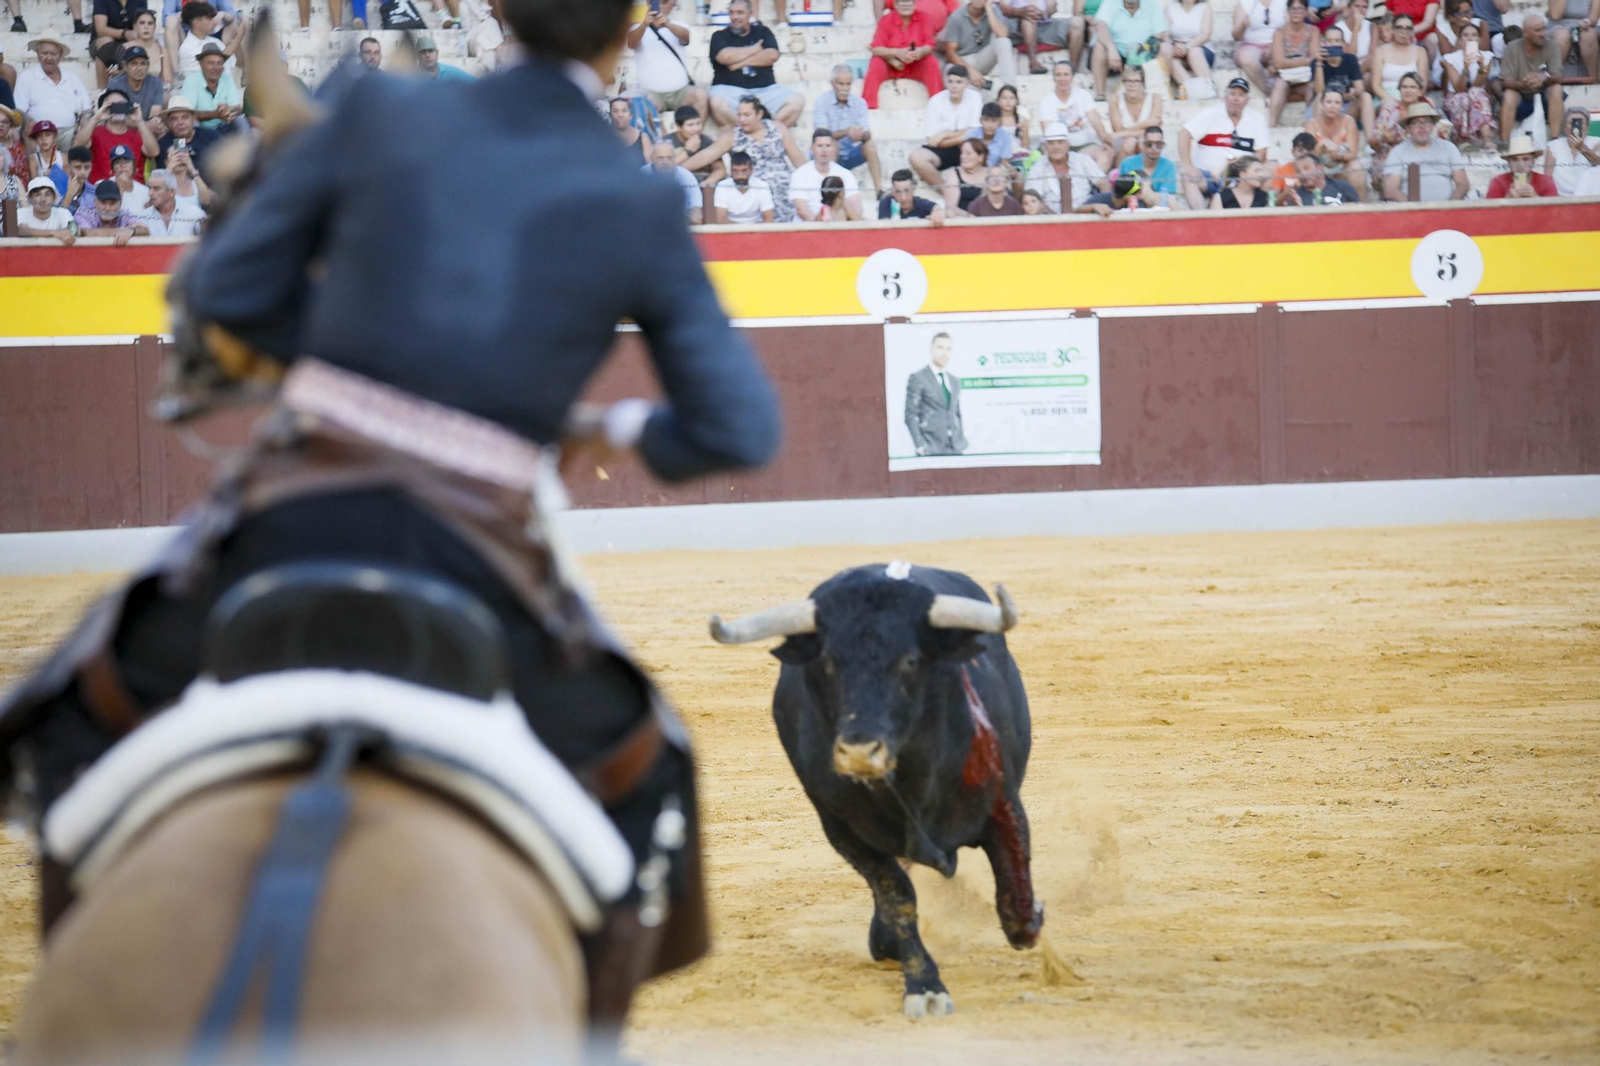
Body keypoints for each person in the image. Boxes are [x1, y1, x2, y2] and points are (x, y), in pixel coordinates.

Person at [1, 1, 777, 1030]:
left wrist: (339, 371)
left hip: (289, 517)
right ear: (630, 33)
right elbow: (738, 427)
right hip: (483, 560)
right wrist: (614, 424)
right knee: (653, 770)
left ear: (496, 12)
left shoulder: (374, 111)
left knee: (60, 715)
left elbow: (226, 287)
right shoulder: (634, 203)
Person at [682, 95, 804, 221]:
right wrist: (679, 169)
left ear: (759, 114)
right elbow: (707, 155)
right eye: (739, 115)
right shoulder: (734, 136)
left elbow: (797, 157)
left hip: (783, 186)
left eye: (746, 115)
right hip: (751, 189)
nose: (741, 119)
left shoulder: (777, 128)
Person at [708, 0, 802, 128]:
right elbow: (725, 57)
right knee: (716, 102)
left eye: (740, 13)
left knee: (797, 101)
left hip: (765, 89)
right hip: (730, 89)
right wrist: (755, 49)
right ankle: (743, 134)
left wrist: (736, 64)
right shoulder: (719, 36)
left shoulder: (763, 32)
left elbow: (772, 55)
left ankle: (766, 133)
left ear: (750, 13)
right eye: (732, 13)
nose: (735, 17)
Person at [1179, 76, 1269, 208]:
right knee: (1189, 179)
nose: (1236, 99)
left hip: (1240, 178)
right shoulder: (1210, 114)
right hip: (1210, 175)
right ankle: (1201, 220)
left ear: (1247, 100)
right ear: (1225, 97)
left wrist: (1240, 163)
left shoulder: (1257, 119)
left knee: (1270, 171)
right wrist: (1188, 165)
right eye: (1232, 94)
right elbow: (1184, 133)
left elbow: (1262, 153)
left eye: (1241, 95)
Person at [627, 0, 708, 121]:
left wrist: (667, 24)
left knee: (700, 96)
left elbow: (686, 37)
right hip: (652, 93)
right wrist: (645, 24)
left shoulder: (679, 24)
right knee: (643, 106)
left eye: (665, 2)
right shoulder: (638, 27)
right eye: (656, 2)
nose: (660, 6)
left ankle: (697, 135)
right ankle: (660, 139)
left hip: (680, 92)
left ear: (673, 4)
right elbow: (631, 43)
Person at [909, 64, 985, 187]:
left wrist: (944, 134)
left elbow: (973, 133)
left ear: (966, 84)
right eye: (950, 82)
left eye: (959, 82)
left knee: (979, 147)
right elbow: (932, 141)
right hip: (943, 149)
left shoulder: (974, 97)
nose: (954, 86)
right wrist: (961, 134)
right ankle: (947, 192)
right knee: (917, 157)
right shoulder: (935, 101)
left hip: (968, 147)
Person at [815, 65, 884, 193]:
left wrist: (861, 135)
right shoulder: (822, 101)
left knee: (870, 145)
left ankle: (879, 189)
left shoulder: (859, 103)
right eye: (841, 84)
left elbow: (868, 132)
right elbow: (821, 135)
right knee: (832, 145)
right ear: (833, 83)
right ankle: (830, 191)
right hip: (829, 152)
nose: (845, 89)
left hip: (851, 152)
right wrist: (846, 132)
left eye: (848, 84)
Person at [1499, 14, 1565, 144]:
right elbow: (1505, 81)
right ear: (1526, 33)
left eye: (1544, 29)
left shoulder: (1552, 45)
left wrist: (1543, 78)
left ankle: (1555, 139)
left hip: (1544, 95)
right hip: (1521, 97)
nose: (1543, 34)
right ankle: (1504, 141)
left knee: (1556, 89)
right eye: (1537, 30)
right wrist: (1523, 84)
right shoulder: (1512, 47)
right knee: (1509, 95)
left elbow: (1558, 76)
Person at [866, 0, 946, 106]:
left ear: (914, 4)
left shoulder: (924, 18)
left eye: (909, 1)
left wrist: (921, 52)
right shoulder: (886, 20)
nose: (906, 4)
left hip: (915, 65)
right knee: (876, 62)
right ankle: (869, 105)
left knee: (931, 61)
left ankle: (938, 104)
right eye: (902, 1)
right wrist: (896, 53)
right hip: (892, 65)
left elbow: (930, 45)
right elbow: (876, 49)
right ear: (895, 5)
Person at [1034, 59, 1112, 169]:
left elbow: (1095, 120)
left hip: (1083, 146)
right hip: (1058, 147)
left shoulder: (1083, 95)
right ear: (1053, 78)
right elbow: (1048, 132)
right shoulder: (1046, 101)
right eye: (1058, 75)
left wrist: (1105, 141)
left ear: (1072, 77)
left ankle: (1092, 185)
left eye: (1066, 75)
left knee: (1105, 154)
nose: (1062, 79)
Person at [1383, 99, 1469, 199]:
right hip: (1413, 210)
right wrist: (1414, 209)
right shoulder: (1397, 152)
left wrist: (1449, 207)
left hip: (1446, 209)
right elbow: (1391, 190)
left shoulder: (1449, 148)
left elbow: (1463, 184)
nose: (1422, 127)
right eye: (1415, 123)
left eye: (1427, 122)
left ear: (1433, 126)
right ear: (1408, 128)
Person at [14, 38, 93, 146]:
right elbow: (19, 109)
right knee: (27, 131)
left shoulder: (72, 78)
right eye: (44, 53)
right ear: (38, 54)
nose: (49, 58)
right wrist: (27, 120)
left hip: (69, 131)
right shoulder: (27, 77)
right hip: (39, 131)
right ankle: (36, 162)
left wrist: (85, 120)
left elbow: (87, 108)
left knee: (87, 134)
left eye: (53, 54)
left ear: (60, 55)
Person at [1092, 0, 1172, 100]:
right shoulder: (1111, 2)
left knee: (1166, 48)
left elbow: (1159, 32)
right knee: (1100, 46)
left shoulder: (1151, 2)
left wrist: (1141, 49)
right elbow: (1100, 25)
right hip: (1117, 52)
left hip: (1144, 50)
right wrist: (1111, 48)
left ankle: (1160, 93)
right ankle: (1100, 93)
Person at [905, 333, 967, 456]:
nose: (944, 353)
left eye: (948, 349)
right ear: (931, 349)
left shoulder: (954, 381)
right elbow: (910, 415)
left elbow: (956, 413)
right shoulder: (918, 378)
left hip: (955, 448)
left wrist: (960, 439)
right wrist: (920, 446)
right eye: (940, 348)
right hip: (931, 448)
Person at [1025, 119, 1109, 209]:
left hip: (1087, 213)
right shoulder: (1038, 168)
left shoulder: (1082, 160)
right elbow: (1032, 197)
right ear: (1046, 147)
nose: (1056, 147)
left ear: (1068, 145)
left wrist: (1105, 204)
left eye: (1060, 142)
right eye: (1051, 143)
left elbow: (1103, 183)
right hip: (1050, 217)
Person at [939, 0, 1020, 93]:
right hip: (962, 60)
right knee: (952, 72)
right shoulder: (957, 17)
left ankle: (1010, 89)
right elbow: (950, 53)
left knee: (1004, 42)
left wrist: (989, 8)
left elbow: (1002, 34)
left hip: (982, 57)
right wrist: (970, 70)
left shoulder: (992, 11)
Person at [75, 93, 158, 181]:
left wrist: (139, 121)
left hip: (133, 189)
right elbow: (78, 146)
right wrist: (96, 118)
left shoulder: (138, 134)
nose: (118, 109)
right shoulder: (95, 132)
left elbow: (154, 152)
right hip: (102, 190)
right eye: (113, 105)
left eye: (121, 105)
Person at [1304, 87, 1369, 198]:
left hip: (1342, 165)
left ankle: (1360, 205)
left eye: (1337, 103)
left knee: (1356, 167)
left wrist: (1339, 155)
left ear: (1342, 106)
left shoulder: (1349, 121)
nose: (1333, 106)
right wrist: (1321, 145)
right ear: (1321, 104)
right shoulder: (1312, 124)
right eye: (1329, 102)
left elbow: (1353, 153)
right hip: (1319, 167)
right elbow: (1308, 156)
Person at [1093, 61, 1162, 163]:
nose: (1132, 85)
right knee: (1129, 143)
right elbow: (1118, 130)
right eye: (1128, 81)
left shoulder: (1155, 98)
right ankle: (1124, 177)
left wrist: (1125, 132)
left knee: (1144, 143)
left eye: (1136, 81)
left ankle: (1144, 177)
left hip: (1146, 140)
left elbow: (1153, 131)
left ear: (1142, 83)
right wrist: (1145, 125)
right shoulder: (1115, 100)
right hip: (1122, 142)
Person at [1441, 20, 1496, 148]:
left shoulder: (1486, 57)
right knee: (1463, 97)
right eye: (1466, 35)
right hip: (1455, 98)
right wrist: (1466, 67)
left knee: (1475, 92)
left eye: (1474, 35)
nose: (1470, 38)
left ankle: (1487, 138)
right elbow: (1459, 88)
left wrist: (1482, 67)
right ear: (1460, 40)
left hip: (1477, 97)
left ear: (1479, 38)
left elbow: (1478, 84)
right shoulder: (1450, 58)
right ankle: (1462, 139)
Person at [790, 128, 864, 220]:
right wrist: (819, 228)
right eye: (820, 146)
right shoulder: (800, 174)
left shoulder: (845, 174)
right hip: (808, 227)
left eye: (828, 145)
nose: (824, 150)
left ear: (833, 148)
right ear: (812, 148)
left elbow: (856, 206)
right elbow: (801, 209)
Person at [1268, 0, 1320, 124]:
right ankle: (1271, 126)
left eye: (1300, 8)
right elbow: (1278, 63)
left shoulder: (1313, 31)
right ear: (1287, 11)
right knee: (1279, 85)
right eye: (1293, 8)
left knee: (1312, 88)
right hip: (1284, 78)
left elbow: (1315, 59)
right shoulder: (1279, 33)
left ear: (1306, 11)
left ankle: (1312, 128)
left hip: (1305, 79)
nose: (1296, 12)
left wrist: (1288, 63)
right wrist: (1306, 60)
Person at [181, 40, 244, 133]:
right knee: (192, 123)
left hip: (224, 125)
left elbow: (237, 107)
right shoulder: (191, 80)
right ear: (201, 64)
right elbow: (188, 113)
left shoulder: (227, 78)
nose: (216, 67)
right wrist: (215, 114)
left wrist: (229, 110)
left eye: (219, 63)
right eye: (211, 63)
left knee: (240, 120)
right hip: (201, 130)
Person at [999, 0, 1077, 73]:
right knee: (1028, 18)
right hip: (1018, 26)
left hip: (1043, 22)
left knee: (1077, 23)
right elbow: (1003, 7)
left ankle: (1071, 69)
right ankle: (1033, 63)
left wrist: (1042, 13)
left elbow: (1053, 6)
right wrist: (1021, 12)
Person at [174, 2, 241, 82]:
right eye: (210, 19)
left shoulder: (216, 42)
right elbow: (212, 71)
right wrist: (239, 37)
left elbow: (234, 64)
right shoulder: (187, 48)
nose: (215, 22)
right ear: (197, 23)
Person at [642, 139, 704, 224]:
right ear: (652, 159)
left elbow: (696, 214)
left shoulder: (686, 177)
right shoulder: (642, 175)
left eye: (669, 158)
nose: (665, 162)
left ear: (675, 158)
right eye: (660, 158)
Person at [91, 0, 150, 90]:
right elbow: (101, 30)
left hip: (128, 41)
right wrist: (124, 33)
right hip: (101, 40)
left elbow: (140, 23)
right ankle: (102, 90)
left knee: (138, 45)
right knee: (107, 45)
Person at [1233, 0, 1287, 94]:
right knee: (1247, 59)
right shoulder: (1245, 3)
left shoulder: (1284, 2)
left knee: (1282, 56)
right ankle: (1270, 92)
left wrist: (1274, 47)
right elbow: (1236, 36)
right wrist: (1243, 26)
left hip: (1279, 44)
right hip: (1251, 45)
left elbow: (1291, 29)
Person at [73, 175, 148, 242]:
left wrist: (131, 231)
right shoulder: (84, 213)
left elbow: (145, 230)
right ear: (95, 202)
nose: (107, 208)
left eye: (112, 203)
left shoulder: (125, 214)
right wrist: (124, 230)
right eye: (103, 202)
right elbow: (88, 232)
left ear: (119, 204)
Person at [153, 95, 217, 172]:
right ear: (169, 123)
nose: (180, 123)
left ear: (193, 119)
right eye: (174, 119)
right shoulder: (164, 144)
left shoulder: (211, 136)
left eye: (185, 117)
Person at [1545, 106, 1599, 194]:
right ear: (1565, 127)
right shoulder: (1554, 146)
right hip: (1561, 199)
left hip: (1589, 198)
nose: (1576, 127)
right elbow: (1547, 178)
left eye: (1580, 123)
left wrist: (1582, 148)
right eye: (1572, 123)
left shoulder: (1596, 142)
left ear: (1587, 127)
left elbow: (1598, 164)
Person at [136, 166, 205, 234]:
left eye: (156, 188)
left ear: (171, 192)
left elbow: (210, 236)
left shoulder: (193, 213)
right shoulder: (143, 217)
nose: (150, 193)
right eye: (149, 188)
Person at [712, 150, 776, 223]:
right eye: (736, 171)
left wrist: (750, 231)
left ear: (751, 170)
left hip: (757, 229)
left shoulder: (762, 186)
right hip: (730, 230)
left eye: (744, 171)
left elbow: (769, 218)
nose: (740, 176)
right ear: (731, 171)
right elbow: (721, 220)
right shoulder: (722, 186)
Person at [671, 105, 724, 190]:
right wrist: (688, 151)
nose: (696, 129)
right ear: (678, 127)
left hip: (703, 182)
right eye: (690, 125)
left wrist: (707, 183)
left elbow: (720, 169)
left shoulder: (706, 141)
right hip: (677, 184)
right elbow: (662, 170)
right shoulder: (667, 142)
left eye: (698, 123)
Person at [1486, 135, 1560, 195]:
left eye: (1525, 159)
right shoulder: (1499, 182)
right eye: (1515, 159)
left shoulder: (1545, 181)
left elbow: (1554, 211)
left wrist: (1535, 198)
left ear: (1533, 161)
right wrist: (1509, 198)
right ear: (1508, 162)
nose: (1520, 165)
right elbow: (1488, 211)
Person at [105, 43, 165, 120]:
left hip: (148, 127)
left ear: (148, 66)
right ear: (125, 66)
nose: (139, 68)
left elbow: (155, 115)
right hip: (122, 127)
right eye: (134, 64)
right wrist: (145, 125)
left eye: (143, 63)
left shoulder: (156, 82)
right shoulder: (115, 84)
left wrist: (150, 124)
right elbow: (117, 116)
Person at [1167, 0, 1214, 91]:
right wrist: (1174, 47)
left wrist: (1187, 46)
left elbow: (1206, 35)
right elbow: (1166, 34)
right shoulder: (1171, 7)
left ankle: (1208, 87)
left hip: (1201, 49)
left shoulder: (1204, 8)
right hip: (1178, 48)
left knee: (1194, 52)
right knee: (1170, 60)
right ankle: (1192, 90)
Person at [1548, 0, 1599, 82]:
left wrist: (1588, 22)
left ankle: (1594, 80)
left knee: (1589, 36)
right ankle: (1554, 77)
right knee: (1563, 35)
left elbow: (1594, 18)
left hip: (1584, 26)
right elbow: (1555, 15)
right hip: (1559, 25)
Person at [1281, 152, 1360, 202]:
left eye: (1306, 168)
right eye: (1298, 171)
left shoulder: (1343, 187)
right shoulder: (1296, 196)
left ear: (1320, 168)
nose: (1302, 174)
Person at [17, 175, 77, 241]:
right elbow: (21, 230)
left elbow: (74, 230)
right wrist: (53, 233)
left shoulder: (62, 212)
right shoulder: (20, 213)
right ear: (30, 198)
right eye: (37, 195)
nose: (43, 199)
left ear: (54, 198)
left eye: (48, 195)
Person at [941, 135, 992, 210]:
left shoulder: (991, 173)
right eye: (962, 153)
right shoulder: (954, 174)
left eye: (968, 153)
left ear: (981, 157)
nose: (963, 157)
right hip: (962, 219)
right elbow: (950, 207)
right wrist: (970, 217)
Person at [879, 166, 949, 220]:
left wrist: (939, 213)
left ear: (913, 190)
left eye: (907, 191)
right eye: (898, 192)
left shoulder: (921, 204)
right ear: (892, 192)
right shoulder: (886, 204)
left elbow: (939, 210)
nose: (903, 198)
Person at [1077, 170, 1158, 211]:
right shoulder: (1102, 198)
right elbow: (1075, 211)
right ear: (1129, 196)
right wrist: (1093, 207)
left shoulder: (1138, 204)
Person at [26, 119, 68, 197]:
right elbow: (33, 185)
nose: (43, 139)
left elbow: (68, 181)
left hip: (62, 195)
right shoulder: (34, 160)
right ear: (36, 140)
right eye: (39, 136)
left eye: (48, 135)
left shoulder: (63, 157)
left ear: (55, 138)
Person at [609, 95, 653, 160]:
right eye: (615, 111)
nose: (620, 115)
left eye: (624, 111)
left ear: (631, 115)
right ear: (610, 115)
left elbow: (650, 166)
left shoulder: (643, 138)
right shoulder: (604, 138)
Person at [994, 82, 1032, 153]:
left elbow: (1025, 144)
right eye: (1004, 98)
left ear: (1017, 101)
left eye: (1012, 98)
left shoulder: (1022, 120)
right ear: (998, 100)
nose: (1008, 101)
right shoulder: (994, 119)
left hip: (1017, 154)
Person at [59, 145, 95, 216]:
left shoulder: (95, 193)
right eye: (78, 167)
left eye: (87, 167)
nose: (83, 172)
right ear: (68, 168)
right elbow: (57, 222)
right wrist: (69, 195)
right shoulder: (56, 190)